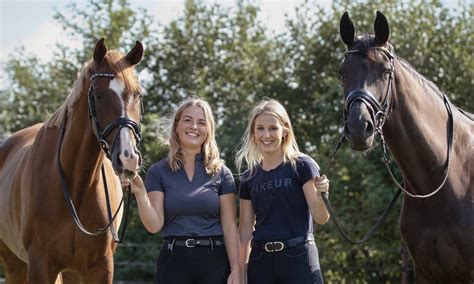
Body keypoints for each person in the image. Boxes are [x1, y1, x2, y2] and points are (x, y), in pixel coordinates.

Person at [126, 97, 240, 284]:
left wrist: (236, 270)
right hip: (173, 262)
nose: (194, 126)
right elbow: (154, 225)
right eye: (188, 120)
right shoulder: (158, 172)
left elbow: (229, 228)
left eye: (201, 122)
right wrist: (140, 192)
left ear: (208, 130)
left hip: (215, 263)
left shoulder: (222, 173)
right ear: (177, 126)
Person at [235, 98, 330, 284]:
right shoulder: (248, 177)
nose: (266, 134)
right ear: (253, 133)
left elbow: (321, 218)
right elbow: (245, 229)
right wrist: (241, 270)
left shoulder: (302, 165)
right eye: (260, 128)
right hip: (260, 263)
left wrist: (321, 195)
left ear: (284, 130)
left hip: (299, 258)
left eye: (273, 128)